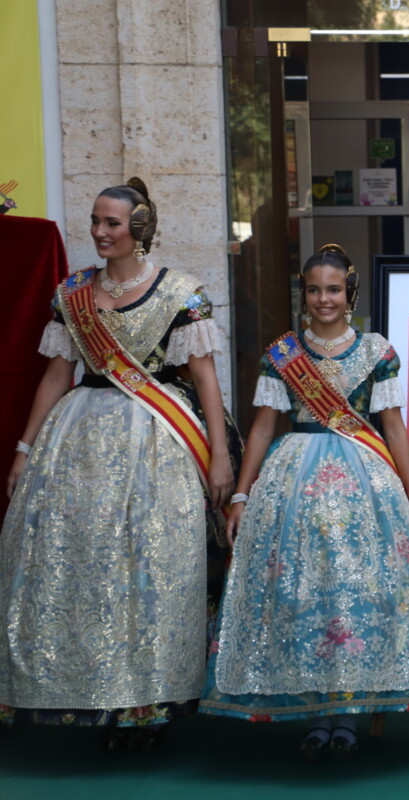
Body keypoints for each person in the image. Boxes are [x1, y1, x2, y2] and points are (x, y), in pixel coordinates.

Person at [200, 244, 409, 759]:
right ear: (302, 295)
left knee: (356, 592)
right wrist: (241, 492)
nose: (323, 299)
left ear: (350, 293)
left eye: (333, 289)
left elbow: (394, 428)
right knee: (304, 595)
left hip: (365, 487)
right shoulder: (282, 353)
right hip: (292, 488)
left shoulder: (377, 352)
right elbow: (261, 430)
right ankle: (315, 713)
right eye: (313, 290)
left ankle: (348, 715)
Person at [0, 179, 236, 748]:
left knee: (148, 566)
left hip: (156, 440)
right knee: (83, 564)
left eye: (113, 223)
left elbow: (203, 376)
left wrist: (222, 455)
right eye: (96, 222)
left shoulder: (180, 293)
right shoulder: (73, 293)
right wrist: (25, 448)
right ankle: (85, 693)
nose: (101, 233)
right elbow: (57, 373)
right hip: (76, 438)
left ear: (140, 227)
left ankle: (148, 703)